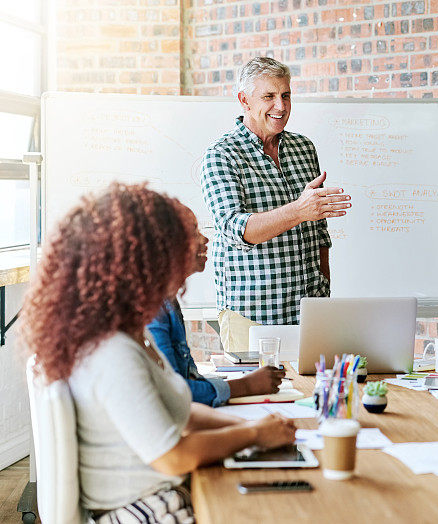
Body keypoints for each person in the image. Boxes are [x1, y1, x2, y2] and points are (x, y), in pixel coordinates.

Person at [21, 183, 296, 522]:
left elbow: (179, 412)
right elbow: (173, 456)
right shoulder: (112, 354)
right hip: (146, 511)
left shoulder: (127, 334)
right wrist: (252, 434)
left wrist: (250, 427)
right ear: (146, 262)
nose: (191, 252)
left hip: (156, 500)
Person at [201, 56, 351, 352]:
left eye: (285, 95)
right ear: (244, 100)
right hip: (253, 318)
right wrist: (298, 210)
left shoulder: (303, 148)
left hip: (310, 313)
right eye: (268, 96)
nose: (280, 106)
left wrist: (323, 293)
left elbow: (319, 231)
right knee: (259, 398)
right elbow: (236, 230)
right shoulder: (222, 155)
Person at [147, 228, 285, 406]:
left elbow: (188, 380)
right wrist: (247, 385)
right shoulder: (153, 310)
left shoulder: (169, 302)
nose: (205, 239)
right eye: (194, 232)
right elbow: (176, 393)